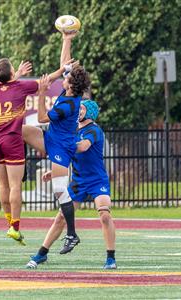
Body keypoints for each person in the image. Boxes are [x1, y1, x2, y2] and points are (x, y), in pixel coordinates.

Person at [26, 100, 117, 269]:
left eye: (81, 108)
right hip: (78, 181)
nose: (78, 111)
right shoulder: (73, 130)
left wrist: (61, 146)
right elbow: (68, 156)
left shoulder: (94, 130)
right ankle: (41, 254)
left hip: (97, 181)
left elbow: (83, 147)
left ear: (89, 112)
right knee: (61, 217)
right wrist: (54, 172)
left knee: (104, 215)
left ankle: (110, 259)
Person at [22, 31, 91, 254]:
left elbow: (42, 118)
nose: (64, 78)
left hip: (62, 147)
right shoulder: (72, 90)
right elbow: (65, 64)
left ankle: (71, 234)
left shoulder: (68, 105)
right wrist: (67, 39)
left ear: (71, 86)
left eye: (67, 79)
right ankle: (20, 171)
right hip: (52, 139)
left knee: (60, 191)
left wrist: (42, 93)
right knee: (20, 130)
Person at [0, 59, 35, 245]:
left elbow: (3, 84)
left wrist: (15, 74)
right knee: (15, 186)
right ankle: (15, 227)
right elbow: (47, 79)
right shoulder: (21, 87)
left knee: (2, 185)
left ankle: (9, 224)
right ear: (12, 74)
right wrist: (65, 68)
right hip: (11, 140)